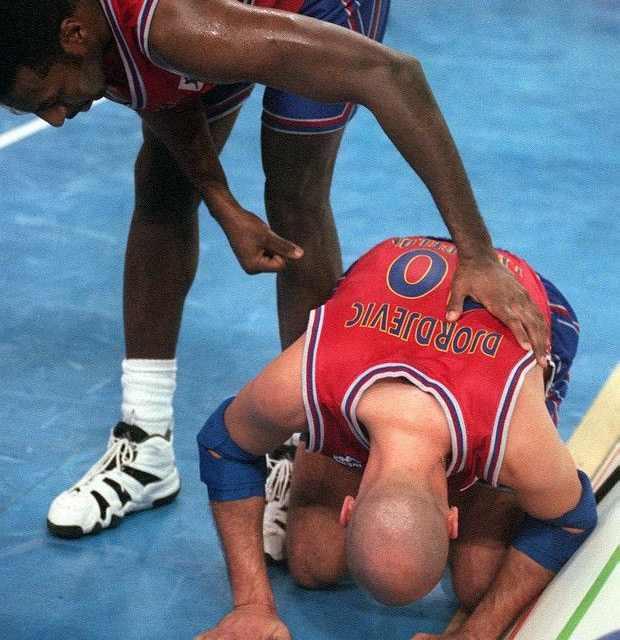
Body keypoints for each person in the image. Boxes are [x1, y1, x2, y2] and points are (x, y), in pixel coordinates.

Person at [0, 0, 548, 546]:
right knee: (162, 183)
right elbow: (147, 80)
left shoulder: (179, 24)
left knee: (294, 192)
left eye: (48, 96)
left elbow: (390, 75)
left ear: (74, 35)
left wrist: (477, 254)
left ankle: (309, 444)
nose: (55, 119)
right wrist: (222, 202)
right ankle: (144, 444)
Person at [195, 235, 591, 640]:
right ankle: (295, 447)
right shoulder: (301, 385)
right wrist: (252, 605)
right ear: (451, 520)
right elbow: (223, 444)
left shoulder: (515, 435)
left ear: (349, 508)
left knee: (478, 583)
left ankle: (320, 447)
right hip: (388, 303)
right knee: (314, 562)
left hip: (513, 292)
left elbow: (573, 518)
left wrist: (478, 631)